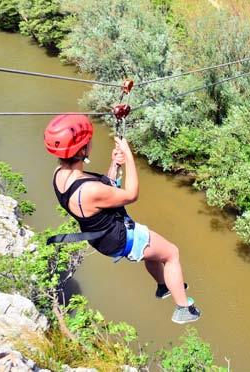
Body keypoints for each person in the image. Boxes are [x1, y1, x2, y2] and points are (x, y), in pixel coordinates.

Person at [44, 114, 201, 324]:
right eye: (88, 142)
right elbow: (130, 194)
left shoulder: (59, 174)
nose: (91, 143)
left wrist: (115, 165)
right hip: (121, 237)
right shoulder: (89, 190)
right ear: (82, 150)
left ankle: (163, 286)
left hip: (103, 238)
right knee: (172, 253)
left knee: (154, 253)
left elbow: (104, 190)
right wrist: (129, 158)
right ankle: (184, 309)